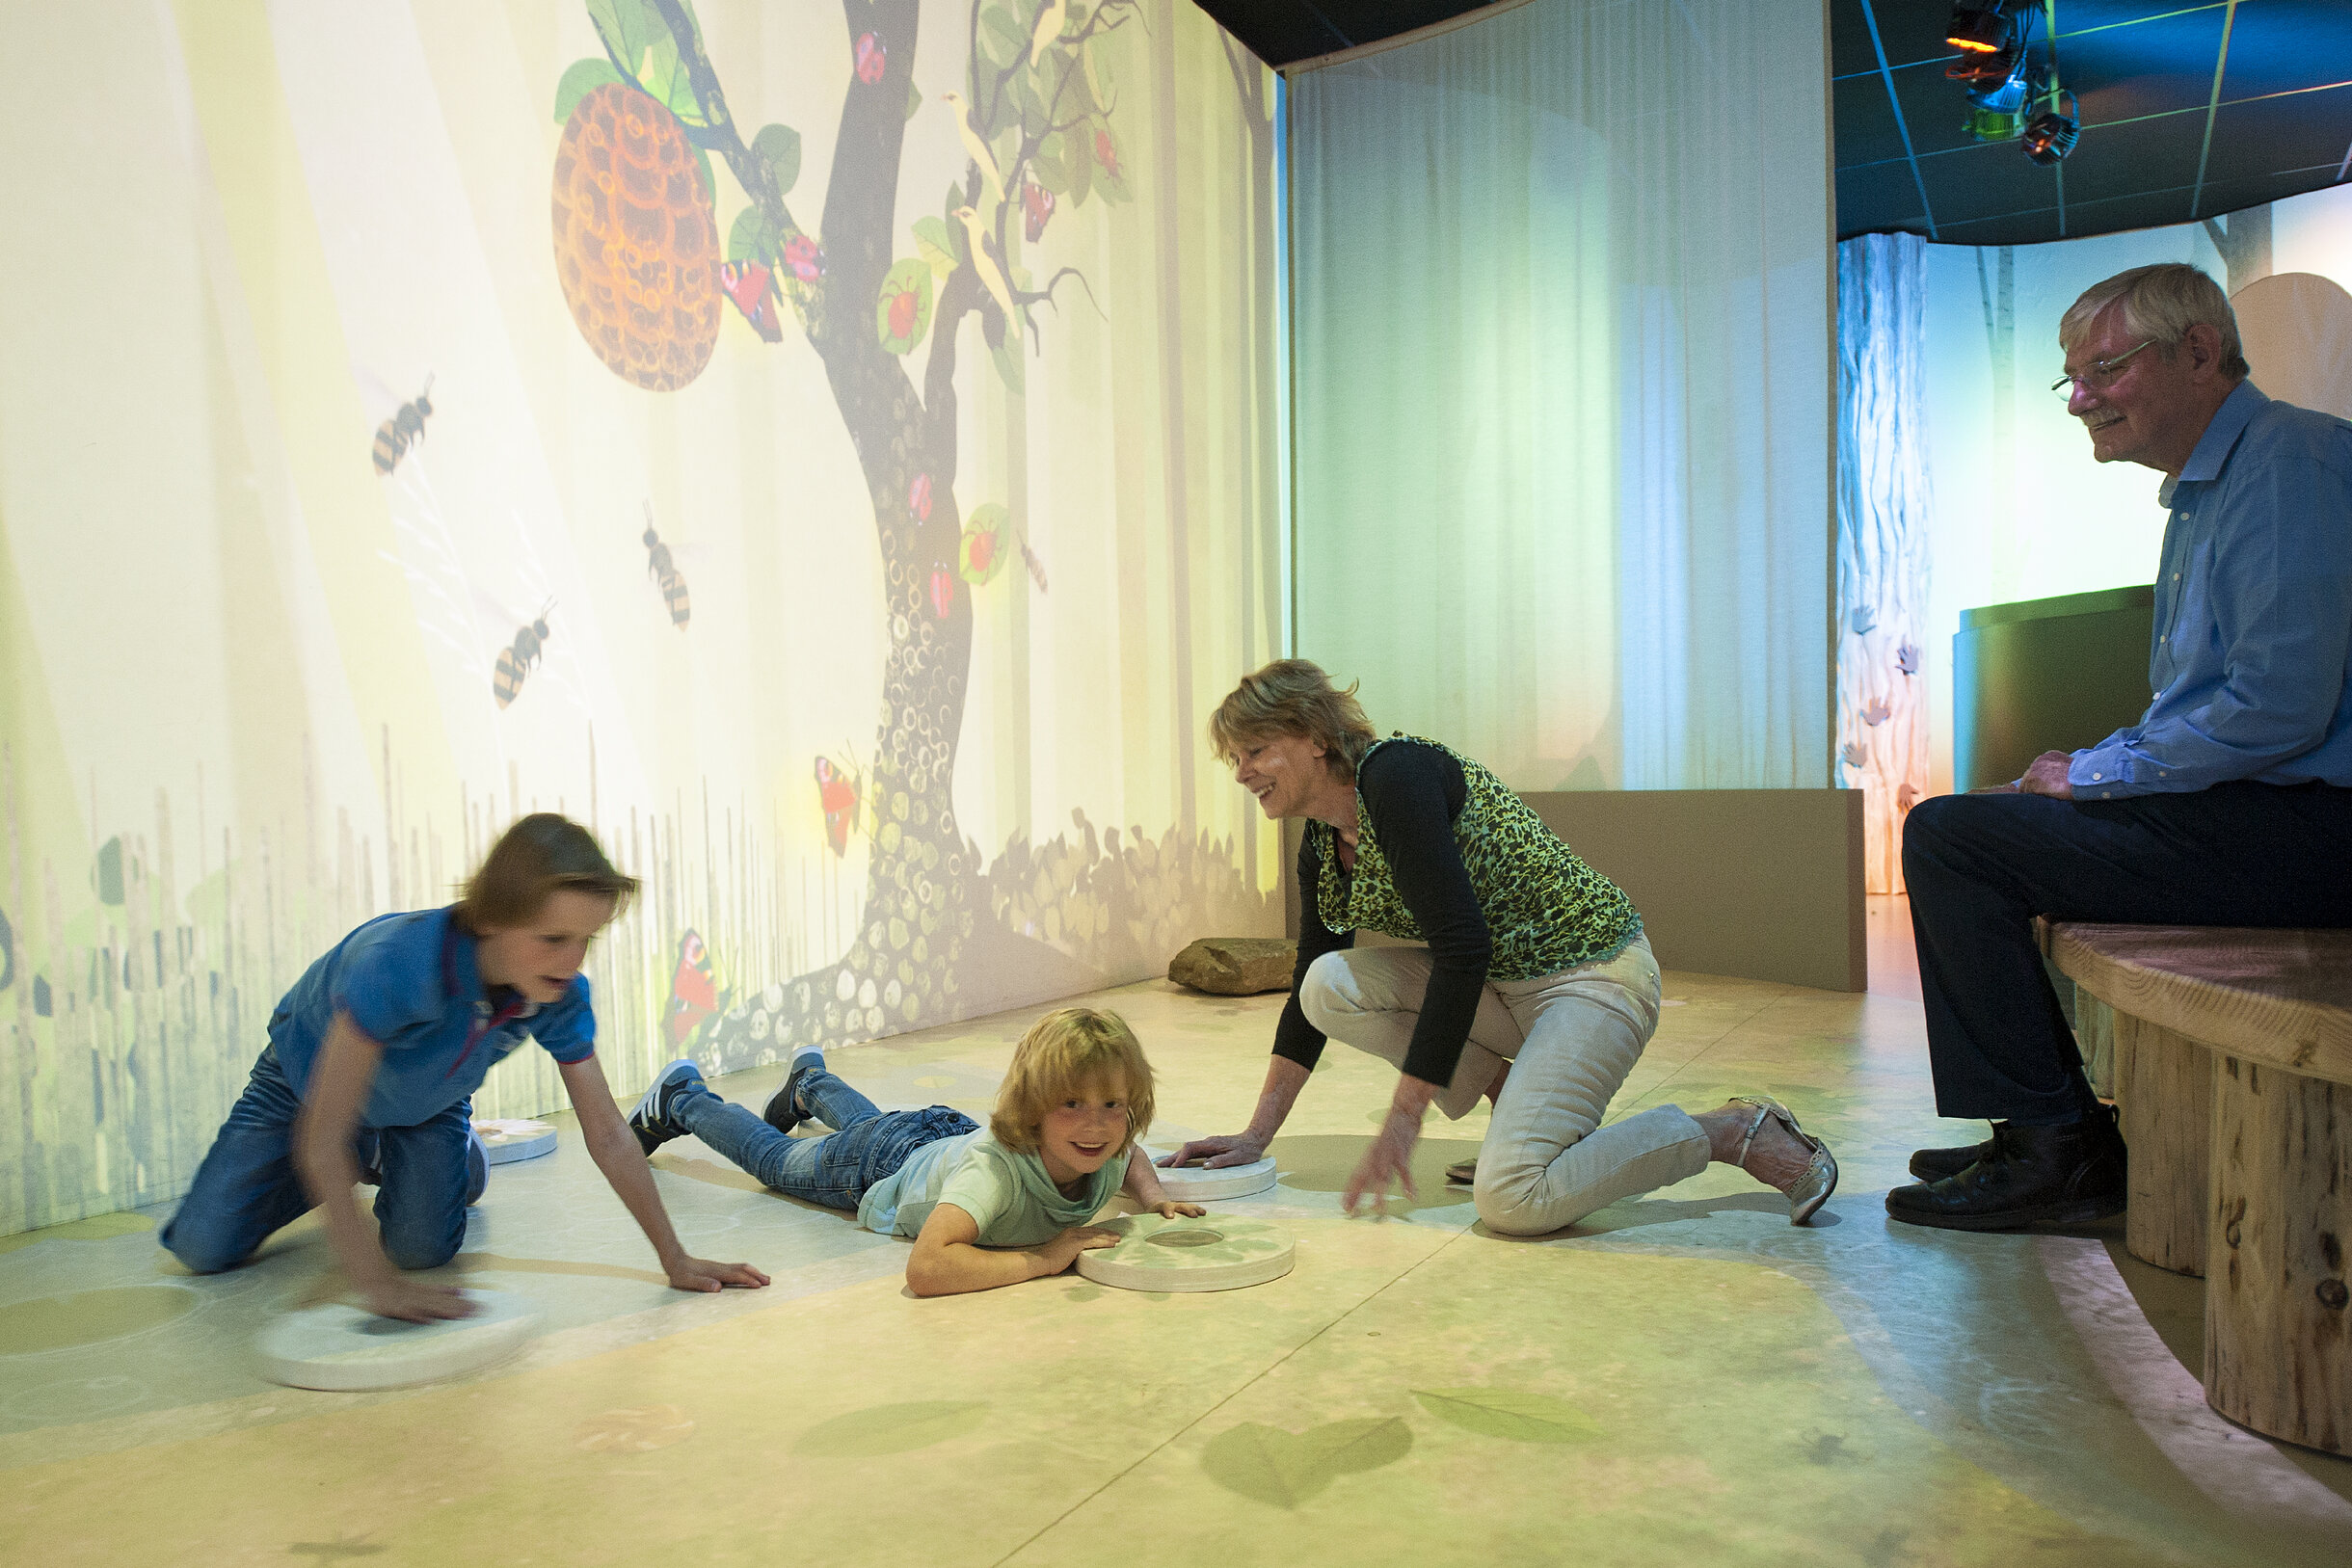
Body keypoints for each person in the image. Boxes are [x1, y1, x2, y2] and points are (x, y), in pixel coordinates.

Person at [1888, 262, 2352, 1231]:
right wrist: (2088, 769)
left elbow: (2276, 709)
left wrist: (2096, 774)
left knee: (1950, 837)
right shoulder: (2212, 488)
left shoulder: (2287, 463)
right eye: (2071, 378)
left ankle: (2057, 1146)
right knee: (1985, 816)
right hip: (2273, 812)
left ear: (2197, 352)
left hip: (2315, 830)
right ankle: (2047, 1129)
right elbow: (2205, 702)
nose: (2080, 400)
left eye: (2103, 367)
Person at [1163, 660, 1837, 1234]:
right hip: (1504, 989)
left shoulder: (1396, 776)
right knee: (1325, 986)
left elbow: (1462, 947)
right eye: (1235, 758)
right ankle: (1521, 1104)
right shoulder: (1320, 842)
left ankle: (1730, 1129)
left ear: (1313, 736)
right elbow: (1310, 985)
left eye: (1255, 750)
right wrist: (1256, 1134)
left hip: (1593, 975)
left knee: (1511, 1196)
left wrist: (1404, 1120)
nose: (1242, 772)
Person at [160, 813, 770, 1320]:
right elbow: (322, 1131)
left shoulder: (557, 993)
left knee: (423, 1252)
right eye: (553, 938)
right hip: (304, 1091)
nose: (572, 959)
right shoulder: (396, 964)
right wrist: (374, 1285)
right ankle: (354, 1163)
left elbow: (609, 1133)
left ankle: (436, 1160)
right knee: (202, 1247)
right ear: (491, 920)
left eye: (586, 940)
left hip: (427, 1106)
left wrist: (676, 1258)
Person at [628, 1005, 1205, 1295]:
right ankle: (683, 1099)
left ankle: (809, 1083)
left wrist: (1154, 1199)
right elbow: (927, 1268)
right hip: (881, 1165)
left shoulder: (1107, 1145)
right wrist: (1042, 1259)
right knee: (776, 1161)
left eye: (1112, 1105)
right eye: (1071, 1105)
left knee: (882, 1123)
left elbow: (1129, 1155)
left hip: (939, 1138)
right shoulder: (996, 1176)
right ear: (1032, 1108)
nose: (1096, 1127)